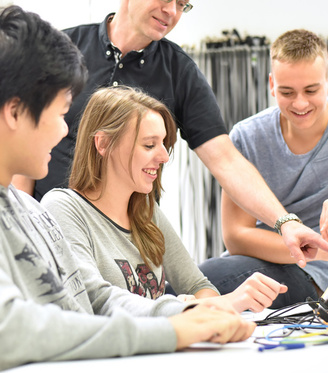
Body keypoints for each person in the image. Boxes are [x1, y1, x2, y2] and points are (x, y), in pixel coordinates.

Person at [0, 5, 254, 373]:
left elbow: (94, 297)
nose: (64, 131)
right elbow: (1, 333)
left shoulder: (29, 209)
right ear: (14, 112)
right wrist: (168, 331)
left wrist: (186, 314)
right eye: (60, 114)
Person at [11, 0, 328, 266]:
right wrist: (23, 232)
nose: (172, 11)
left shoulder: (178, 71)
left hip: (128, 248)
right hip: (51, 234)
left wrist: (285, 223)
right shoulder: (61, 50)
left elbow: (225, 160)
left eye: (183, 3)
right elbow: (24, 147)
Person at [199, 29, 328, 308]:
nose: (300, 103)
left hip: (320, 278)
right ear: (272, 85)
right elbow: (237, 236)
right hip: (257, 261)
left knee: (201, 284)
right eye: (287, 92)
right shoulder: (248, 136)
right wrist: (314, 251)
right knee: (194, 282)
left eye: (311, 90)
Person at [41, 86, 287, 313]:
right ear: (103, 143)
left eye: (163, 144)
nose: (163, 157)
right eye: (149, 145)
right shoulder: (63, 208)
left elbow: (198, 285)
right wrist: (189, 308)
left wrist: (199, 303)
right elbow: (94, 298)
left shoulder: (146, 210)